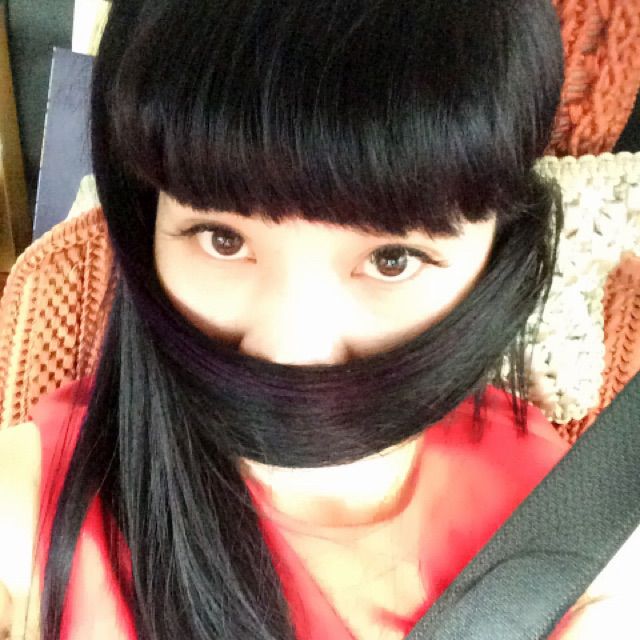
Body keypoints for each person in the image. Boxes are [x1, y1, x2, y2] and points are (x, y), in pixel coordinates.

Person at [1, 0, 630, 638]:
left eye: (392, 259)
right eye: (221, 239)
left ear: (500, 250)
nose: (292, 351)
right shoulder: (27, 514)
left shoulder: (570, 533)